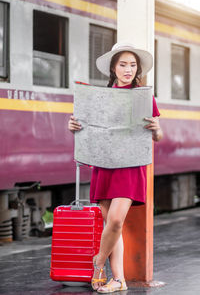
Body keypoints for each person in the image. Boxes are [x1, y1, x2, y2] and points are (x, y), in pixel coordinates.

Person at [68, 42, 163, 293]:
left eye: (132, 65)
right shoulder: (100, 96)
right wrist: (74, 126)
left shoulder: (143, 96)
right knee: (110, 222)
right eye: (123, 64)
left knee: (117, 220)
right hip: (104, 164)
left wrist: (157, 130)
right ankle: (118, 279)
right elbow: (84, 127)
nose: (128, 69)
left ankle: (98, 263)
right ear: (113, 68)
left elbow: (158, 136)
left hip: (131, 166)